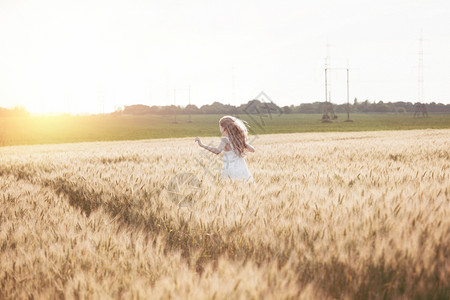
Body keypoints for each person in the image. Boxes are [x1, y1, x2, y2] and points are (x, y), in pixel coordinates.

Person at [195, 115, 255, 182]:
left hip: (230, 170)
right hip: (242, 170)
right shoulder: (238, 140)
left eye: (220, 127)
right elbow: (252, 150)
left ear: (224, 128)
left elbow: (217, 151)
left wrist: (202, 145)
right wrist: (243, 142)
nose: (220, 129)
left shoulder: (225, 140)